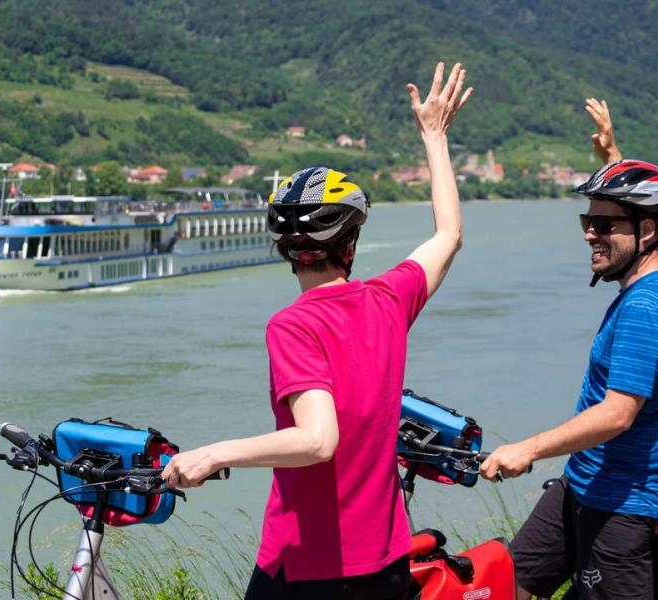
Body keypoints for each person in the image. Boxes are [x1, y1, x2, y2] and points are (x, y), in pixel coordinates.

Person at [162, 62, 473, 599]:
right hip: (387, 560)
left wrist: (213, 453)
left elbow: (316, 440)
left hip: (308, 567)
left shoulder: (293, 325)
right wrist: (434, 136)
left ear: (284, 249)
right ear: (350, 245)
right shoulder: (389, 300)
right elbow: (449, 234)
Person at [479, 99, 658, 600]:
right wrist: (612, 156)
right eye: (588, 219)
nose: (589, 234)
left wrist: (527, 448)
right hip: (578, 484)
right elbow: (644, 211)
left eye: (604, 226)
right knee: (503, 587)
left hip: (621, 508)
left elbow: (618, 414)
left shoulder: (646, 310)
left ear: (646, 231)